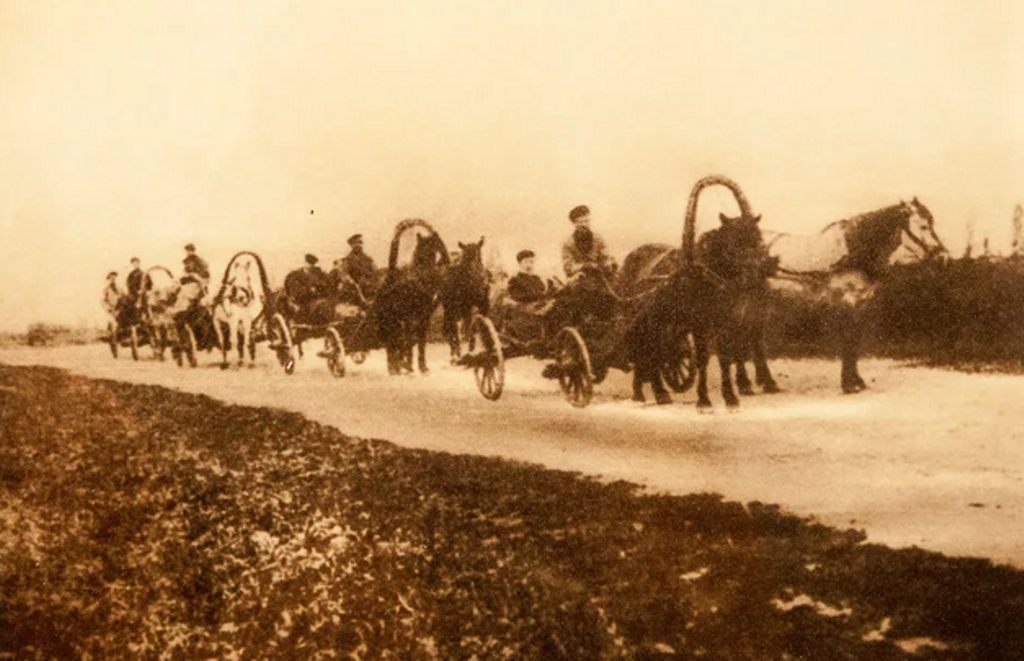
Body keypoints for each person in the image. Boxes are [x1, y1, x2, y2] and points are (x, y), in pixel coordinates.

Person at [561, 204, 617, 280]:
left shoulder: (598, 239)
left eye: (586, 221)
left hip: (599, 276)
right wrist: (584, 266)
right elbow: (568, 267)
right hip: (579, 278)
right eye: (580, 222)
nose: (584, 224)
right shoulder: (568, 243)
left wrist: (607, 264)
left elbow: (606, 257)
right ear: (574, 223)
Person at [338, 234, 379, 300]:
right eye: (356, 243)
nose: (358, 245)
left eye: (360, 242)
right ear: (351, 245)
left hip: (370, 286)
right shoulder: (348, 260)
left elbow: (375, 271)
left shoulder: (368, 259)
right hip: (356, 289)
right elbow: (345, 274)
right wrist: (352, 282)